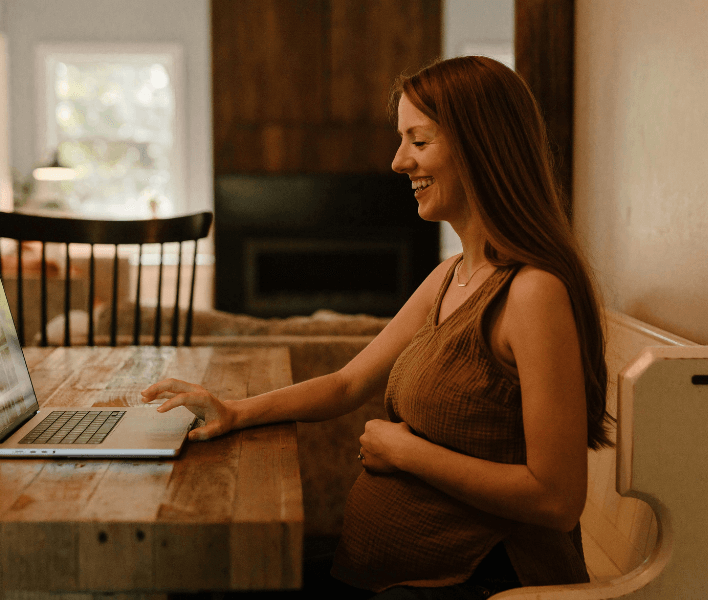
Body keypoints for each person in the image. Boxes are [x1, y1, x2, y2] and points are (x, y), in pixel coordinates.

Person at [142, 55, 614, 599]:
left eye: (418, 140)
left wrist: (407, 453)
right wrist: (234, 410)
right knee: (193, 575)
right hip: (381, 570)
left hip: (478, 580)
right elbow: (347, 383)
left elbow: (556, 499)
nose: (396, 162)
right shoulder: (450, 275)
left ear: (481, 148)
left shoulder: (533, 292)